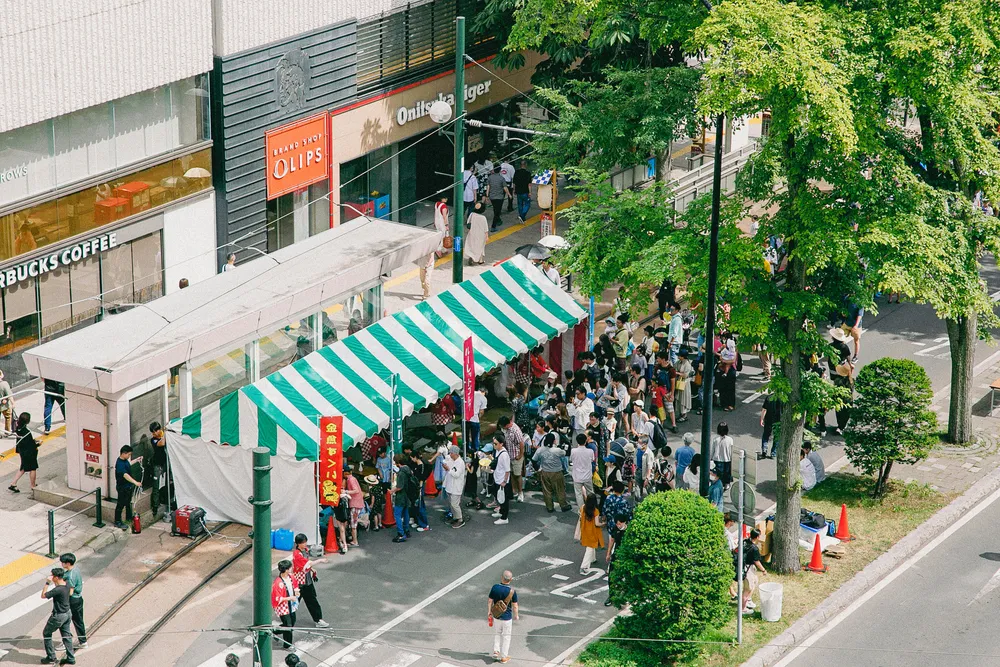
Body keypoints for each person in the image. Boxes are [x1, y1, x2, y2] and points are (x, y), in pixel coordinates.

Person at [292, 533, 329, 627]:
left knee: (312, 601)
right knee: (293, 604)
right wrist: (320, 560)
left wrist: (311, 569)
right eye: (303, 542)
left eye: (305, 542)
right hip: (299, 583)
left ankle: (318, 619)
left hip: (307, 581)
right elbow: (308, 563)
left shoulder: (305, 551)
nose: (305, 544)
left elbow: (307, 565)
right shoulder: (297, 554)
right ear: (298, 544)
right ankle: (286, 624)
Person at [40, 567, 74, 665]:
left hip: (59, 615)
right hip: (67, 613)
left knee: (47, 633)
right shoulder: (66, 584)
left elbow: (43, 595)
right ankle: (71, 657)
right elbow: (71, 591)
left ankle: (51, 656)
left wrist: (47, 583)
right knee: (66, 635)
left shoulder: (57, 590)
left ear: (55, 577)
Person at [533, 433, 571, 512]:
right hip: (556, 472)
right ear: (554, 441)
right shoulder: (557, 450)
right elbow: (565, 453)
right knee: (560, 489)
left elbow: (534, 460)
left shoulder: (540, 450)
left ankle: (549, 507)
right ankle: (563, 505)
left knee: (547, 490)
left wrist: (537, 469)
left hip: (545, 472)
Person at [488, 570, 519, 663]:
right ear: (511, 579)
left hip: (497, 615)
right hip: (507, 618)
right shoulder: (512, 591)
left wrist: (489, 612)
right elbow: (515, 605)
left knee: (497, 633)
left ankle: (496, 651)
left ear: (502, 577)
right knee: (506, 637)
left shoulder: (495, 587)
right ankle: (504, 657)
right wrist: (516, 615)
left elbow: (490, 601)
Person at [59, 553, 86, 649]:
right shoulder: (76, 569)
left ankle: (66, 642)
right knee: (78, 620)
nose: (61, 564)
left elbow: (70, 591)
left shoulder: (70, 576)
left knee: (64, 620)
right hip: (78, 599)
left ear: (68, 563)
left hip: (72, 600)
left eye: (63, 562)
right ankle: (83, 641)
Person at [271, 559, 299, 649]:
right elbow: (277, 598)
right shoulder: (277, 583)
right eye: (290, 568)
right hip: (283, 606)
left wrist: (297, 592)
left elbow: (295, 586)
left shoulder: (291, 577)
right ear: (286, 570)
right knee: (288, 626)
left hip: (291, 604)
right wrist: (290, 598)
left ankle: (274, 631)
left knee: (292, 622)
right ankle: (288, 645)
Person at [9, 412, 39, 493]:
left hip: (22, 451)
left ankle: (13, 483)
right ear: (28, 421)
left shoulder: (18, 428)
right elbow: (31, 445)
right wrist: (38, 444)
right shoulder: (27, 432)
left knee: (23, 467)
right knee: (33, 468)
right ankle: (33, 485)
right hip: (29, 453)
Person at [604, 512, 630, 606]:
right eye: (617, 523)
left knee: (626, 577)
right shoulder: (616, 529)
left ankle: (626, 595)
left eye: (620, 523)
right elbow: (612, 540)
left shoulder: (630, 531)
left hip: (626, 556)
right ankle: (611, 595)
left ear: (624, 522)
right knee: (611, 576)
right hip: (617, 554)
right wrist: (608, 553)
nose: (618, 525)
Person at [739, 529, 766, 615]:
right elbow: (757, 562)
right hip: (748, 569)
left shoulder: (745, 542)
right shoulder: (754, 548)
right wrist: (763, 570)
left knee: (754, 582)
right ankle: (743, 609)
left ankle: (748, 601)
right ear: (757, 537)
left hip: (746, 567)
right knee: (747, 589)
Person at [113, 445, 140, 529]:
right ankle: (117, 521)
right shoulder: (119, 464)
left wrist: (136, 460)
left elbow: (128, 464)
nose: (129, 456)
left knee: (128, 502)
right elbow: (125, 475)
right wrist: (135, 482)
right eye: (129, 454)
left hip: (128, 487)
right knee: (120, 504)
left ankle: (128, 517)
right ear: (124, 453)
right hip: (122, 487)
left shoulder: (125, 461)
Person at [578, 493, 605, 575]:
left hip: (585, 530)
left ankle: (593, 559)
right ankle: (584, 566)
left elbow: (580, 517)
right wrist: (603, 523)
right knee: (590, 547)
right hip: (593, 532)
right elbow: (597, 523)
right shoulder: (595, 511)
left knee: (590, 546)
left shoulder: (583, 507)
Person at [442, 445, 467, 528]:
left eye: (451, 453)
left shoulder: (460, 463)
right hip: (449, 485)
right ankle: (455, 517)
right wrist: (446, 467)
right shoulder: (452, 460)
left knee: (455, 504)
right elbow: (446, 464)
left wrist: (448, 469)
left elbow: (456, 474)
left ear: (455, 453)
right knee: (451, 504)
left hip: (456, 487)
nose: (450, 455)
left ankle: (460, 519)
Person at [149, 421, 170, 518]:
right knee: (156, 486)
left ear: (158, 430)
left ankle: (166, 499)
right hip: (157, 465)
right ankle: (155, 507)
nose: (153, 434)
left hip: (165, 463)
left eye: (154, 432)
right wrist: (166, 433)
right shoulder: (153, 440)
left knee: (167, 482)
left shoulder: (162, 434)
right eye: (152, 433)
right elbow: (162, 443)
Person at [391, 454, 414, 542]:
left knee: (397, 514)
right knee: (406, 513)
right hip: (407, 495)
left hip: (401, 496)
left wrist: (392, 491)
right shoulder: (408, 469)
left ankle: (401, 534)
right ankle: (407, 530)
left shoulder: (401, 473)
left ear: (398, 462)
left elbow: (399, 487)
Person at [342, 465, 365, 547]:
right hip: (357, 503)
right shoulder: (352, 478)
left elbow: (356, 490)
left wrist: (346, 491)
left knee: (353, 523)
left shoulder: (351, 480)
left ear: (345, 473)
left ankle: (355, 541)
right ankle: (354, 540)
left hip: (356, 503)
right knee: (353, 522)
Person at [570, 434, 595, 507]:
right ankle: (592, 507)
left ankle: (581, 510)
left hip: (577, 476)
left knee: (578, 494)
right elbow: (592, 459)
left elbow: (571, 459)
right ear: (585, 441)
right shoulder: (590, 451)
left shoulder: (573, 451)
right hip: (587, 475)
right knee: (590, 492)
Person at [492, 433, 512, 525]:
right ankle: (501, 512)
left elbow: (507, 470)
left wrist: (504, 481)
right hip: (497, 478)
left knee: (504, 500)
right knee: (499, 498)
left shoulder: (504, 455)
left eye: (496, 444)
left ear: (501, 444)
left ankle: (504, 517)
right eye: (493, 443)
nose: (494, 445)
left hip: (502, 481)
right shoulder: (497, 451)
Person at [759, 392, 783, 459]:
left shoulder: (769, 397)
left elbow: (764, 410)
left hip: (768, 419)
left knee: (766, 435)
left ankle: (764, 448)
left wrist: (761, 419)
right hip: (778, 420)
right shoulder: (783, 399)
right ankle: (773, 453)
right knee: (776, 437)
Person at [487, 165, 511, 231]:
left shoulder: (490, 177)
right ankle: (493, 226)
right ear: (500, 170)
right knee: (497, 211)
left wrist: (487, 195)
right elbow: (505, 188)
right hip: (499, 197)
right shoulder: (501, 178)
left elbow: (488, 187)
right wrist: (509, 195)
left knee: (495, 209)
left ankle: (498, 220)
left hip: (492, 196)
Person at [711, 421, 734, 488]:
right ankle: (726, 484)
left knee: (718, 473)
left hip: (717, 459)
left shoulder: (716, 439)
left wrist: (711, 457)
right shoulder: (730, 439)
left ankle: (719, 484)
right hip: (727, 458)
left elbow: (713, 450)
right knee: (727, 473)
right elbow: (731, 450)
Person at [673, 349, 693, 422]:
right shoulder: (678, 362)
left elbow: (685, 375)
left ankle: (684, 415)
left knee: (684, 399)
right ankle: (681, 414)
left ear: (683, 356)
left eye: (679, 355)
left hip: (684, 383)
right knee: (678, 398)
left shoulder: (687, 364)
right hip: (679, 382)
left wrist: (677, 373)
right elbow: (674, 368)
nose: (678, 356)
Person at [466, 383, 488, 451]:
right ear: (484, 392)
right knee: (475, 437)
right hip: (475, 419)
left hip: (466, 418)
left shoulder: (470, 393)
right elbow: (481, 412)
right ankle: (475, 451)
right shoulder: (483, 398)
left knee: (466, 436)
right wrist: (479, 418)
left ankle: (466, 449)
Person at [0, 369, 14, 434]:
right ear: (1, 376)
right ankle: (7, 431)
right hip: (4, 406)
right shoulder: (4, 384)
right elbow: (9, 395)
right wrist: (13, 403)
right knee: (8, 417)